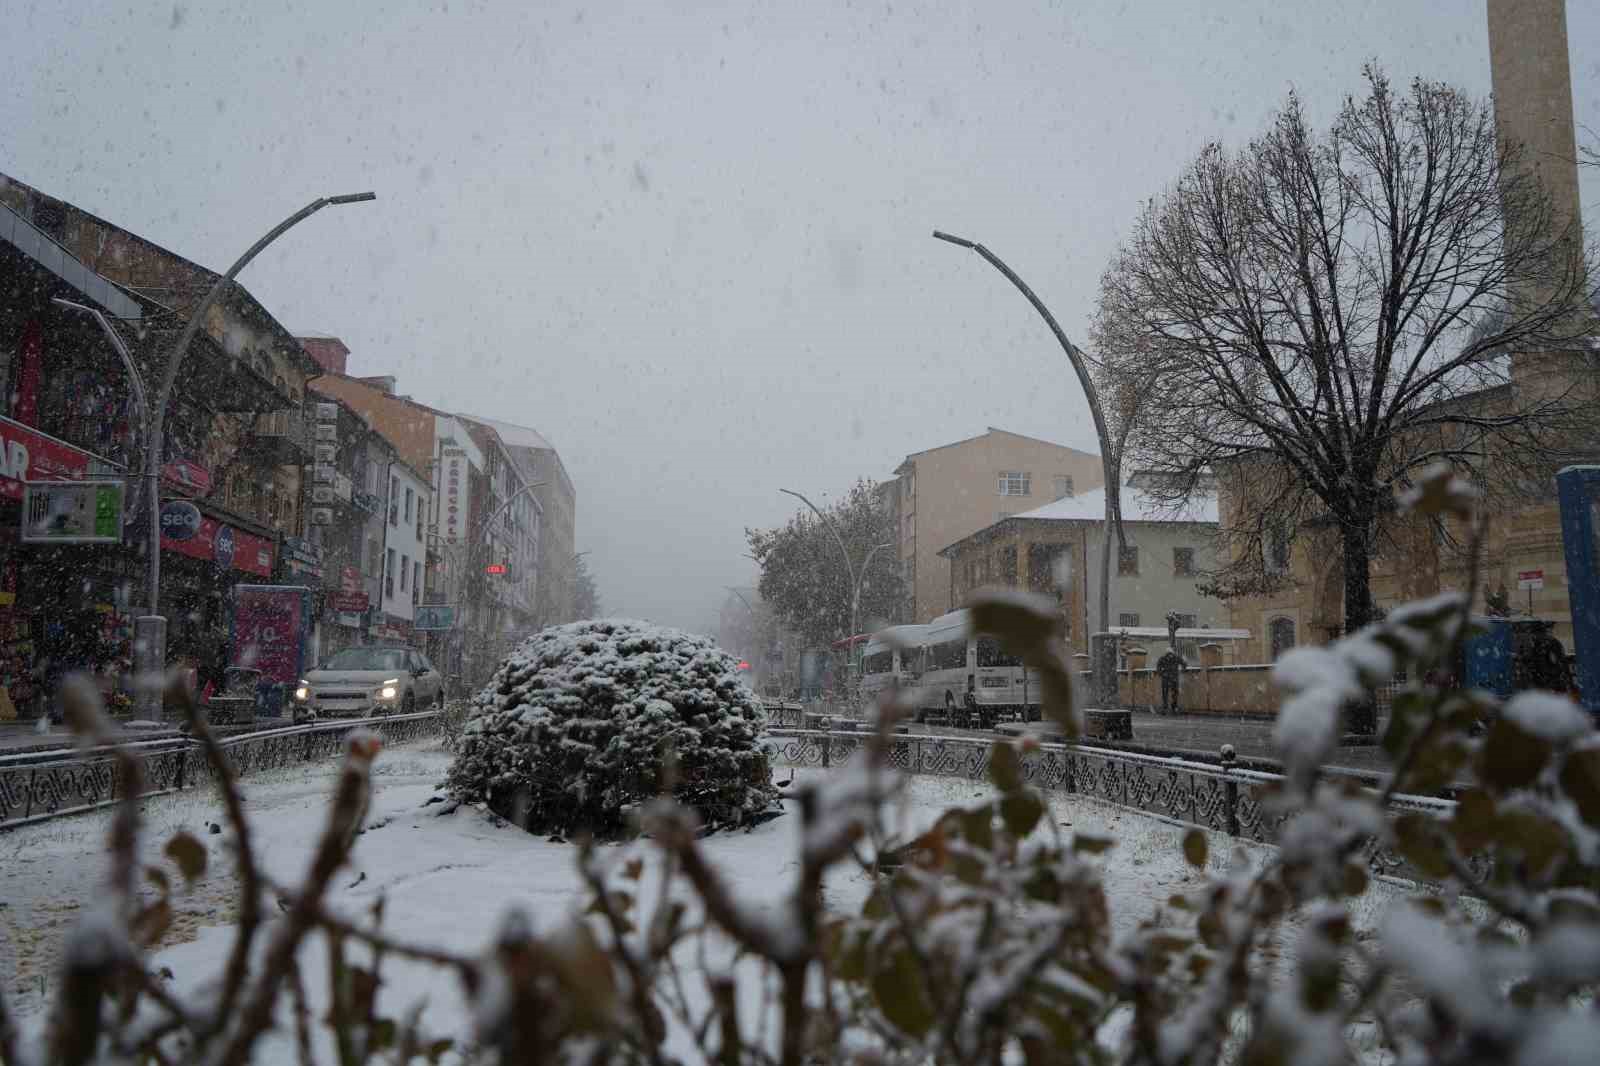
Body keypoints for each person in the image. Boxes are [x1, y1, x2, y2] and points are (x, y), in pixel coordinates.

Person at [1156, 646, 1186, 714]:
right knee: (1174, 693)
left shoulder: (1163, 658)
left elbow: (1158, 667)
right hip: (1174, 678)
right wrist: (1183, 670)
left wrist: (1161, 673)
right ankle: (1174, 707)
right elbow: (1184, 663)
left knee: (1165, 694)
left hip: (1166, 678)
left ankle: (1165, 707)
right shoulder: (1176, 657)